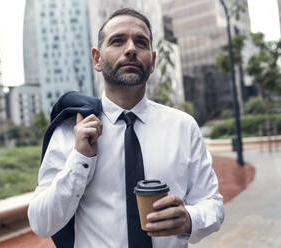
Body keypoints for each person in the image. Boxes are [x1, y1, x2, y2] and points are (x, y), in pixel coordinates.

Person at [28, 8, 224, 247]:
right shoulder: (71, 129)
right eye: (117, 41)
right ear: (97, 59)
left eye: (140, 43)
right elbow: (41, 223)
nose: (130, 49)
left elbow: (212, 203)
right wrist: (79, 159)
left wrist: (189, 220)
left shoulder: (183, 127)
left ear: (152, 61)